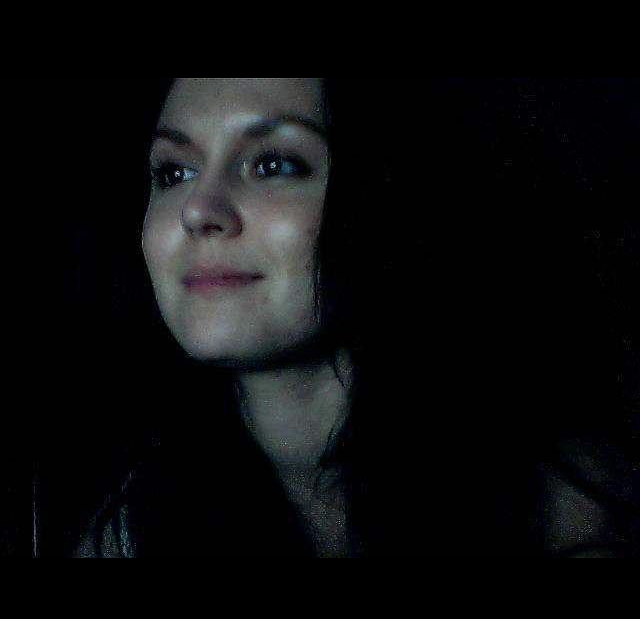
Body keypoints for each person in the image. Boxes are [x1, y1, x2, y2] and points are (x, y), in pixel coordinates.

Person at [72, 78, 638, 558]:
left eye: (272, 164)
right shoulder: (129, 531)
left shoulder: (566, 510)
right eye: (173, 173)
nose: (198, 210)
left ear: (387, 192)